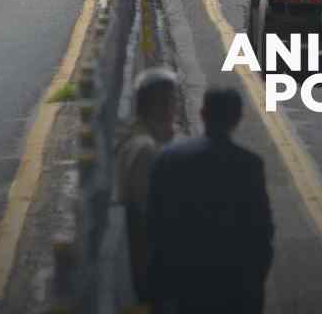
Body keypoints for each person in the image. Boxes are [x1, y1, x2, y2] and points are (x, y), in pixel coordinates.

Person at [147, 88, 273, 314]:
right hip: (236, 289)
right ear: (237, 119)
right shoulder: (250, 165)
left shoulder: (168, 159)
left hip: (184, 287)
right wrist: (255, 284)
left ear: (203, 114)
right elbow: (261, 232)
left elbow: (153, 224)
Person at [116, 69, 177, 304]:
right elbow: (150, 211)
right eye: (171, 101)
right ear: (157, 106)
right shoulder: (145, 150)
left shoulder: (136, 138)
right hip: (152, 266)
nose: (173, 108)